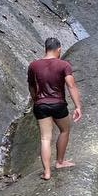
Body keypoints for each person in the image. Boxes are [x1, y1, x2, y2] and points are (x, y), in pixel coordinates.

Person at [27, 37, 83, 180]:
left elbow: (32, 86)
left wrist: (36, 100)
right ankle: (60, 162)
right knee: (64, 130)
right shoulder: (64, 65)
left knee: (45, 138)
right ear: (59, 49)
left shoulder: (33, 66)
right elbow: (71, 85)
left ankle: (46, 172)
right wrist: (77, 106)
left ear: (45, 49)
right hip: (58, 104)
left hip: (41, 105)